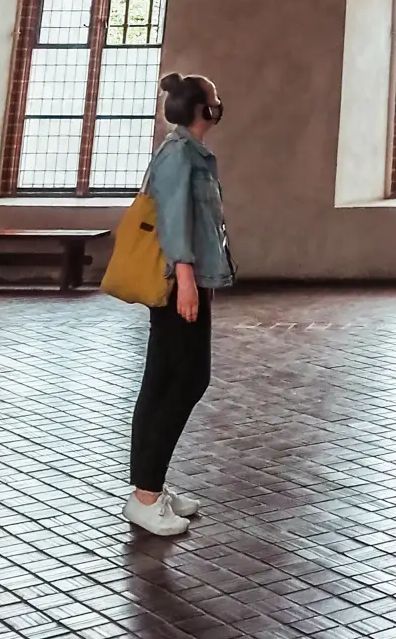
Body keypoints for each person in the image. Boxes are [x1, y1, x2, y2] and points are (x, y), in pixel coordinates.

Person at [123, 72, 234, 537]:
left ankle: (149, 488)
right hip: (176, 285)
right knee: (187, 379)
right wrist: (186, 279)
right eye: (213, 99)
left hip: (188, 282)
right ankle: (146, 497)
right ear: (200, 109)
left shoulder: (190, 152)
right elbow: (172, 221)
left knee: (164, 379)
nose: (219, 105)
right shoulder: (178, 155)